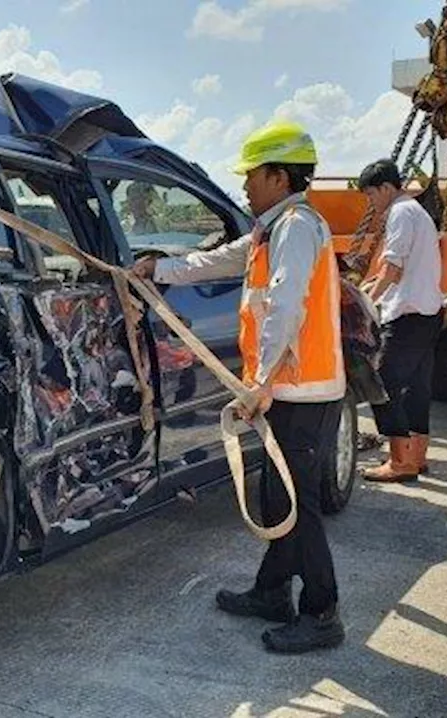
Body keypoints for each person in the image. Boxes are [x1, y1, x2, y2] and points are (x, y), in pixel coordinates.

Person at [133, 120, 345, 654]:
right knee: (278, 499)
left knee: (299, 507)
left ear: (279, 176)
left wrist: (260, 382)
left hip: (303, 391)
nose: (246, 186)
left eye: (252, 175)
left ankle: (322, 612)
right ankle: (272, 592)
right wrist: (158, 269)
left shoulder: (296, 226)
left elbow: (284, 305)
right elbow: (214, 261)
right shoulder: (269, 231)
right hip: (290, 391)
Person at [356, 159, 443, 482]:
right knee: (418, 387)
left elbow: (393, 268)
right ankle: (416, 455)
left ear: (387, 188)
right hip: (426, 313)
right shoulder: (416, 213)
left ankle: (399, 461)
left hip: (406, 316)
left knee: (382, 383)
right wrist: (369, 285)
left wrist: (366, 302)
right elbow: (394, 267)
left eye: (371, 195)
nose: (371, 203)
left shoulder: (400, 213)